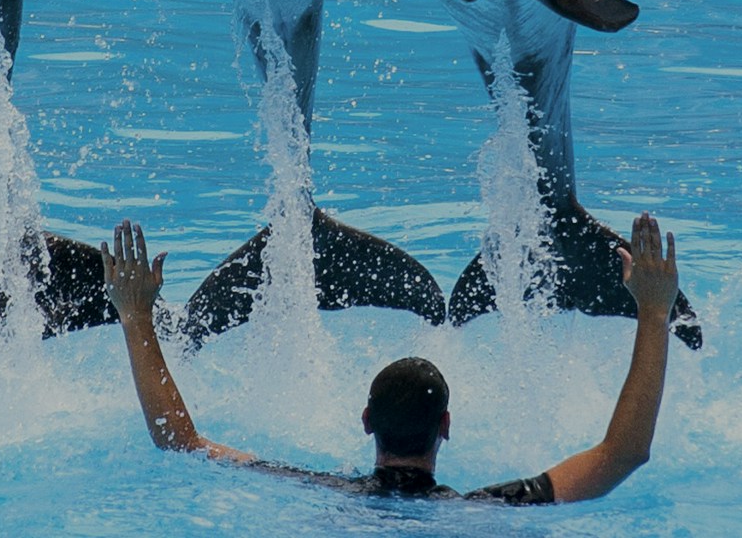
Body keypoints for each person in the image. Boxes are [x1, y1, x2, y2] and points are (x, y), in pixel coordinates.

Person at [101, 212, 680, 505]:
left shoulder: (320, 495)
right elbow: (624, 453)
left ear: (365, 421)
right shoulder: (486, 515)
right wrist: (653, 314)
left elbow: (180, 440)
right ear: (446, 429)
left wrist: (136, 319)